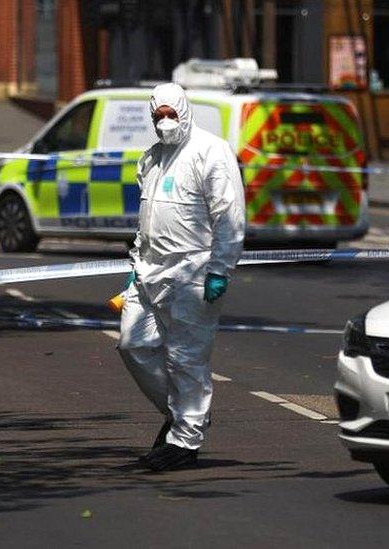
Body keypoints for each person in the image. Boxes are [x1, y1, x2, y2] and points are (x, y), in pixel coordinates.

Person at [118, 83, 245, 471]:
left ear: (185, 111)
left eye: (172, 114)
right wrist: (134, 265)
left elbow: (229, 215)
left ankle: (185, 442)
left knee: (186, 358)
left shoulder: (211, 151)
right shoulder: (151, 158)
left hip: (193, 269)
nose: (166, 122)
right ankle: (184, 415)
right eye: (158, 116)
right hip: (149, 269)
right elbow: (146, 218)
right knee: (133, 345)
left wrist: (220, 269)